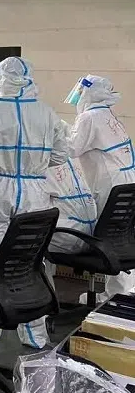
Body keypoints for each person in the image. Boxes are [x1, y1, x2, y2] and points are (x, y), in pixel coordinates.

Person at [0, 57, 66, 348]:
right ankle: (33, 332)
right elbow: (60, 155)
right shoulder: (46, 112)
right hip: (33, 190)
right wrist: (33, 167)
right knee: (30, 258)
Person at [65, 75, 135, 297]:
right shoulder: (107, 114)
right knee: (121, 235)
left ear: (90, 92)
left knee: (111, 237)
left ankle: (116, 296)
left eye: (81, 90)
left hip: (109, 184)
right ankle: (121, 292)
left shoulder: (90, 117)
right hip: (125, 183)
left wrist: (54, 133)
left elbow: (71, 149)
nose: (77, 95)